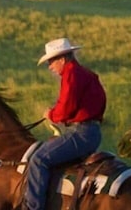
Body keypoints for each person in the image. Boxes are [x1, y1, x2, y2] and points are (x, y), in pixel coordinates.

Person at [24, 37, 107, 210]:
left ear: (62, 59)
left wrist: (51, 114)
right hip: (91, 132)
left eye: (51, 61)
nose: (50, 67)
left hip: (81, 133)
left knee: (38, 159)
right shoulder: (85, 73)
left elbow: (65, 108)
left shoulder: (71, 73)